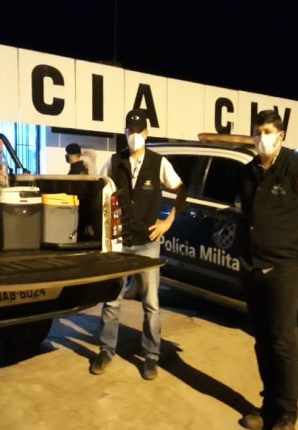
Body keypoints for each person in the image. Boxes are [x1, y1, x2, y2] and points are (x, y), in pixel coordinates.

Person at [237, 110, 298, 430]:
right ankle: (268, 406)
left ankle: (287, 414)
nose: (261, 137)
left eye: (267, 131)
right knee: (262, 340)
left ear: (281, 135)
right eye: (257, 132)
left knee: (281, 341)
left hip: (284, 268)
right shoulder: (249, 172)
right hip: (253, 266)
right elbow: (245, 216)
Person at [89, 108, 186, 380]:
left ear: (147, 133)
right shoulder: (114, 161)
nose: (134, 135)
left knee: (151, 303)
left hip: (147, 243)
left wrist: (168, 222)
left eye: (139, 131)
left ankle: (151, 356)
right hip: (120, 243)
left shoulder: (158, 162)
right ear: (125, 132)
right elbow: (100, 191)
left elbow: (181, 190)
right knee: (111, 300)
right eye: (130, 131)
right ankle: (106, 350)